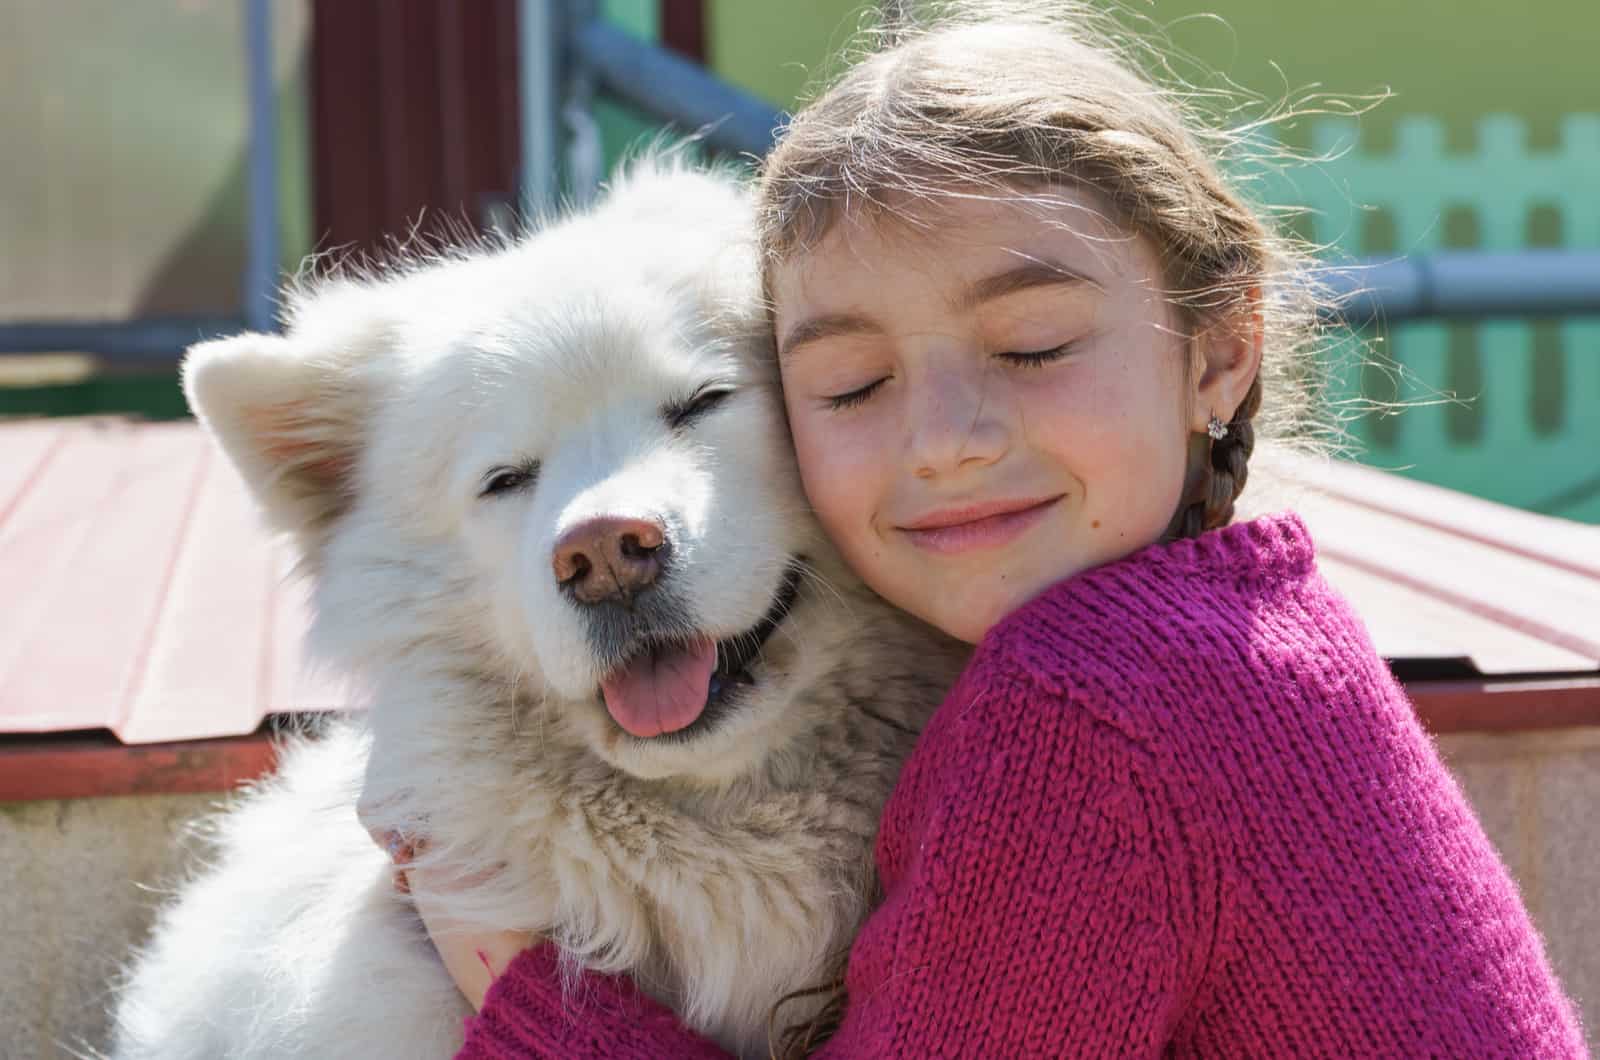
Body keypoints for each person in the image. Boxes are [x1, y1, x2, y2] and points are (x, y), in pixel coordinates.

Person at [392, 5, 1588, 1056]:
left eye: (1033, 348)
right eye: (854, 385)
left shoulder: (1091, 704)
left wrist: (512, 974)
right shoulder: (1253, 628)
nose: (943, 441)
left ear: (1219, 351)